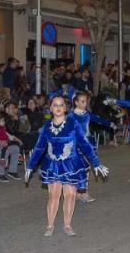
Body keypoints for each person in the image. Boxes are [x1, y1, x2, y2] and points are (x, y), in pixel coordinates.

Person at [25, 95, 109, 236]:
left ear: (65, 108)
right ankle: (50, 225)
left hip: (71, 164)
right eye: (55, 105)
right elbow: (39, 147)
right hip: (53, 164)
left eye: (61, 105)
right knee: (53, 195)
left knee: (70, 195)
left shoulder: (73, 124)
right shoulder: (47, 126)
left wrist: (96, 163)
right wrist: (30, 165)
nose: (58, 107)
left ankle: (67, 225)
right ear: (51, 108)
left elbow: (84, 144)